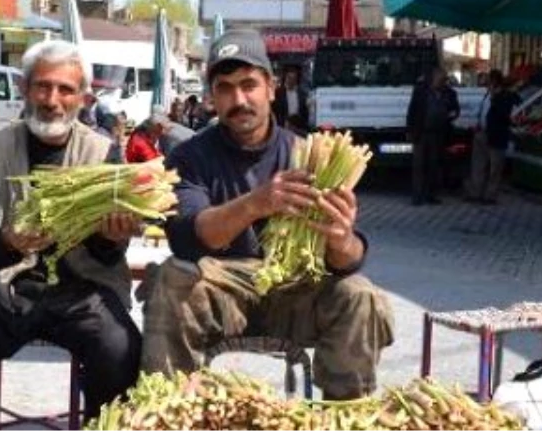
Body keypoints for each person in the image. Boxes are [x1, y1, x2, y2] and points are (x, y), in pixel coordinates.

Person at [140, 29, 394, 401]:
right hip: (221, 295)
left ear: (271, 88)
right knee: (172, 277)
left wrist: (342, 240)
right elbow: (190, 237)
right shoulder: (189, 158)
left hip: (296, 294)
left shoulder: (311, 155)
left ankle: (346, 414)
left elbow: (347, 260)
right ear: (212, 96)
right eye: (225, 87)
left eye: (249, 84)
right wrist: (257, 202)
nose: (239, 99)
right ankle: (166, 410)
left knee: (360, 294)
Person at [0, 40, 142, 430]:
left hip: (82, 293)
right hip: (6, 291)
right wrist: (6, 240)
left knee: (120, 344)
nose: (52, 100)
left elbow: (108, 255)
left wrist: (111, 238)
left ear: (83, 99)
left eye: (66, 90)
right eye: (43, 86)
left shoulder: (104, 155)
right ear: (24, 89)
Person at [405, 66, 459, 205]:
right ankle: (417, 197)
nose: (441, 82)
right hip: (421, 133)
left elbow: (455, 109)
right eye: (440, 79)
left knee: (434, 166)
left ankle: (431, 195)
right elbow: (412, 111)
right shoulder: (421, 91)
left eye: (443, 80)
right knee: (418, 166)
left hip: (438, 135)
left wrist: (452, 114)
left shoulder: (449, 93)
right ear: (434, 77)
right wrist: (410, 131)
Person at [467, 70, 522, 204]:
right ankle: (476, 192)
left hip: (496, 135)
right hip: (482, 133)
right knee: (478, 165)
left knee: (495, 168)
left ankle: (490, 195)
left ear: (495, 82)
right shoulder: (487, 95)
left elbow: (505, 113)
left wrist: (495, 98)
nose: (486, 84)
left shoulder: (505, 96)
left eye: (488, 81)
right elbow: (483, 111)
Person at [271, 67, 309, 132]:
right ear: (285, 78)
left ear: (296, 80)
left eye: (294, 78)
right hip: (282, 126)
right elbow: (274, 110)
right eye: (289, 78)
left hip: (298, 126)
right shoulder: (278, 93)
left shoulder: (302, 93)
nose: (291, 80)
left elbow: (304, 111)